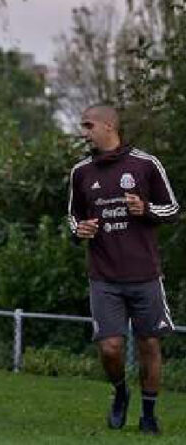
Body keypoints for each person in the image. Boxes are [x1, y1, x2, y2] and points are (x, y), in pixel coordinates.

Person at [68, 104, 179, 435]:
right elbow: (73, 217)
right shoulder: (81, 172)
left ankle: (148, 414)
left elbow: (172, 209)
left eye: (88, 125)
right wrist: (79, 231)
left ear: (108, 126)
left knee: (150, 346)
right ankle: (120, 392)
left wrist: (145, 209)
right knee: (110, 348)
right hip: (104, 277)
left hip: (145, 275)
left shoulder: (146, 164)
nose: (83, 131)